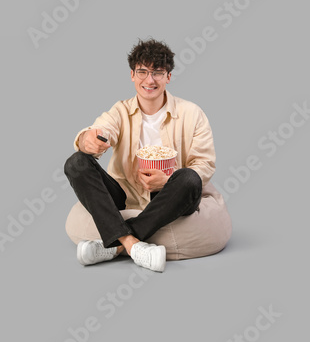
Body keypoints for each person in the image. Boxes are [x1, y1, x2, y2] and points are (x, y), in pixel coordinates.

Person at [64, 38, 216, 272]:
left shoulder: (192, 114)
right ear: (132, 75)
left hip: (169, 195)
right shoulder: (120, 111)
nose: (149, 80)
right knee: (76, 163)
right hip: (124, 194)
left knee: (189, 179)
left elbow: (204, 163)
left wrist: (167, 180)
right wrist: (88, 140)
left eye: (157, 72)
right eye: (142, 71)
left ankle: (115, 245)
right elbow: (103, 129)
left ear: (168, 77)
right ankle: (132, 244)